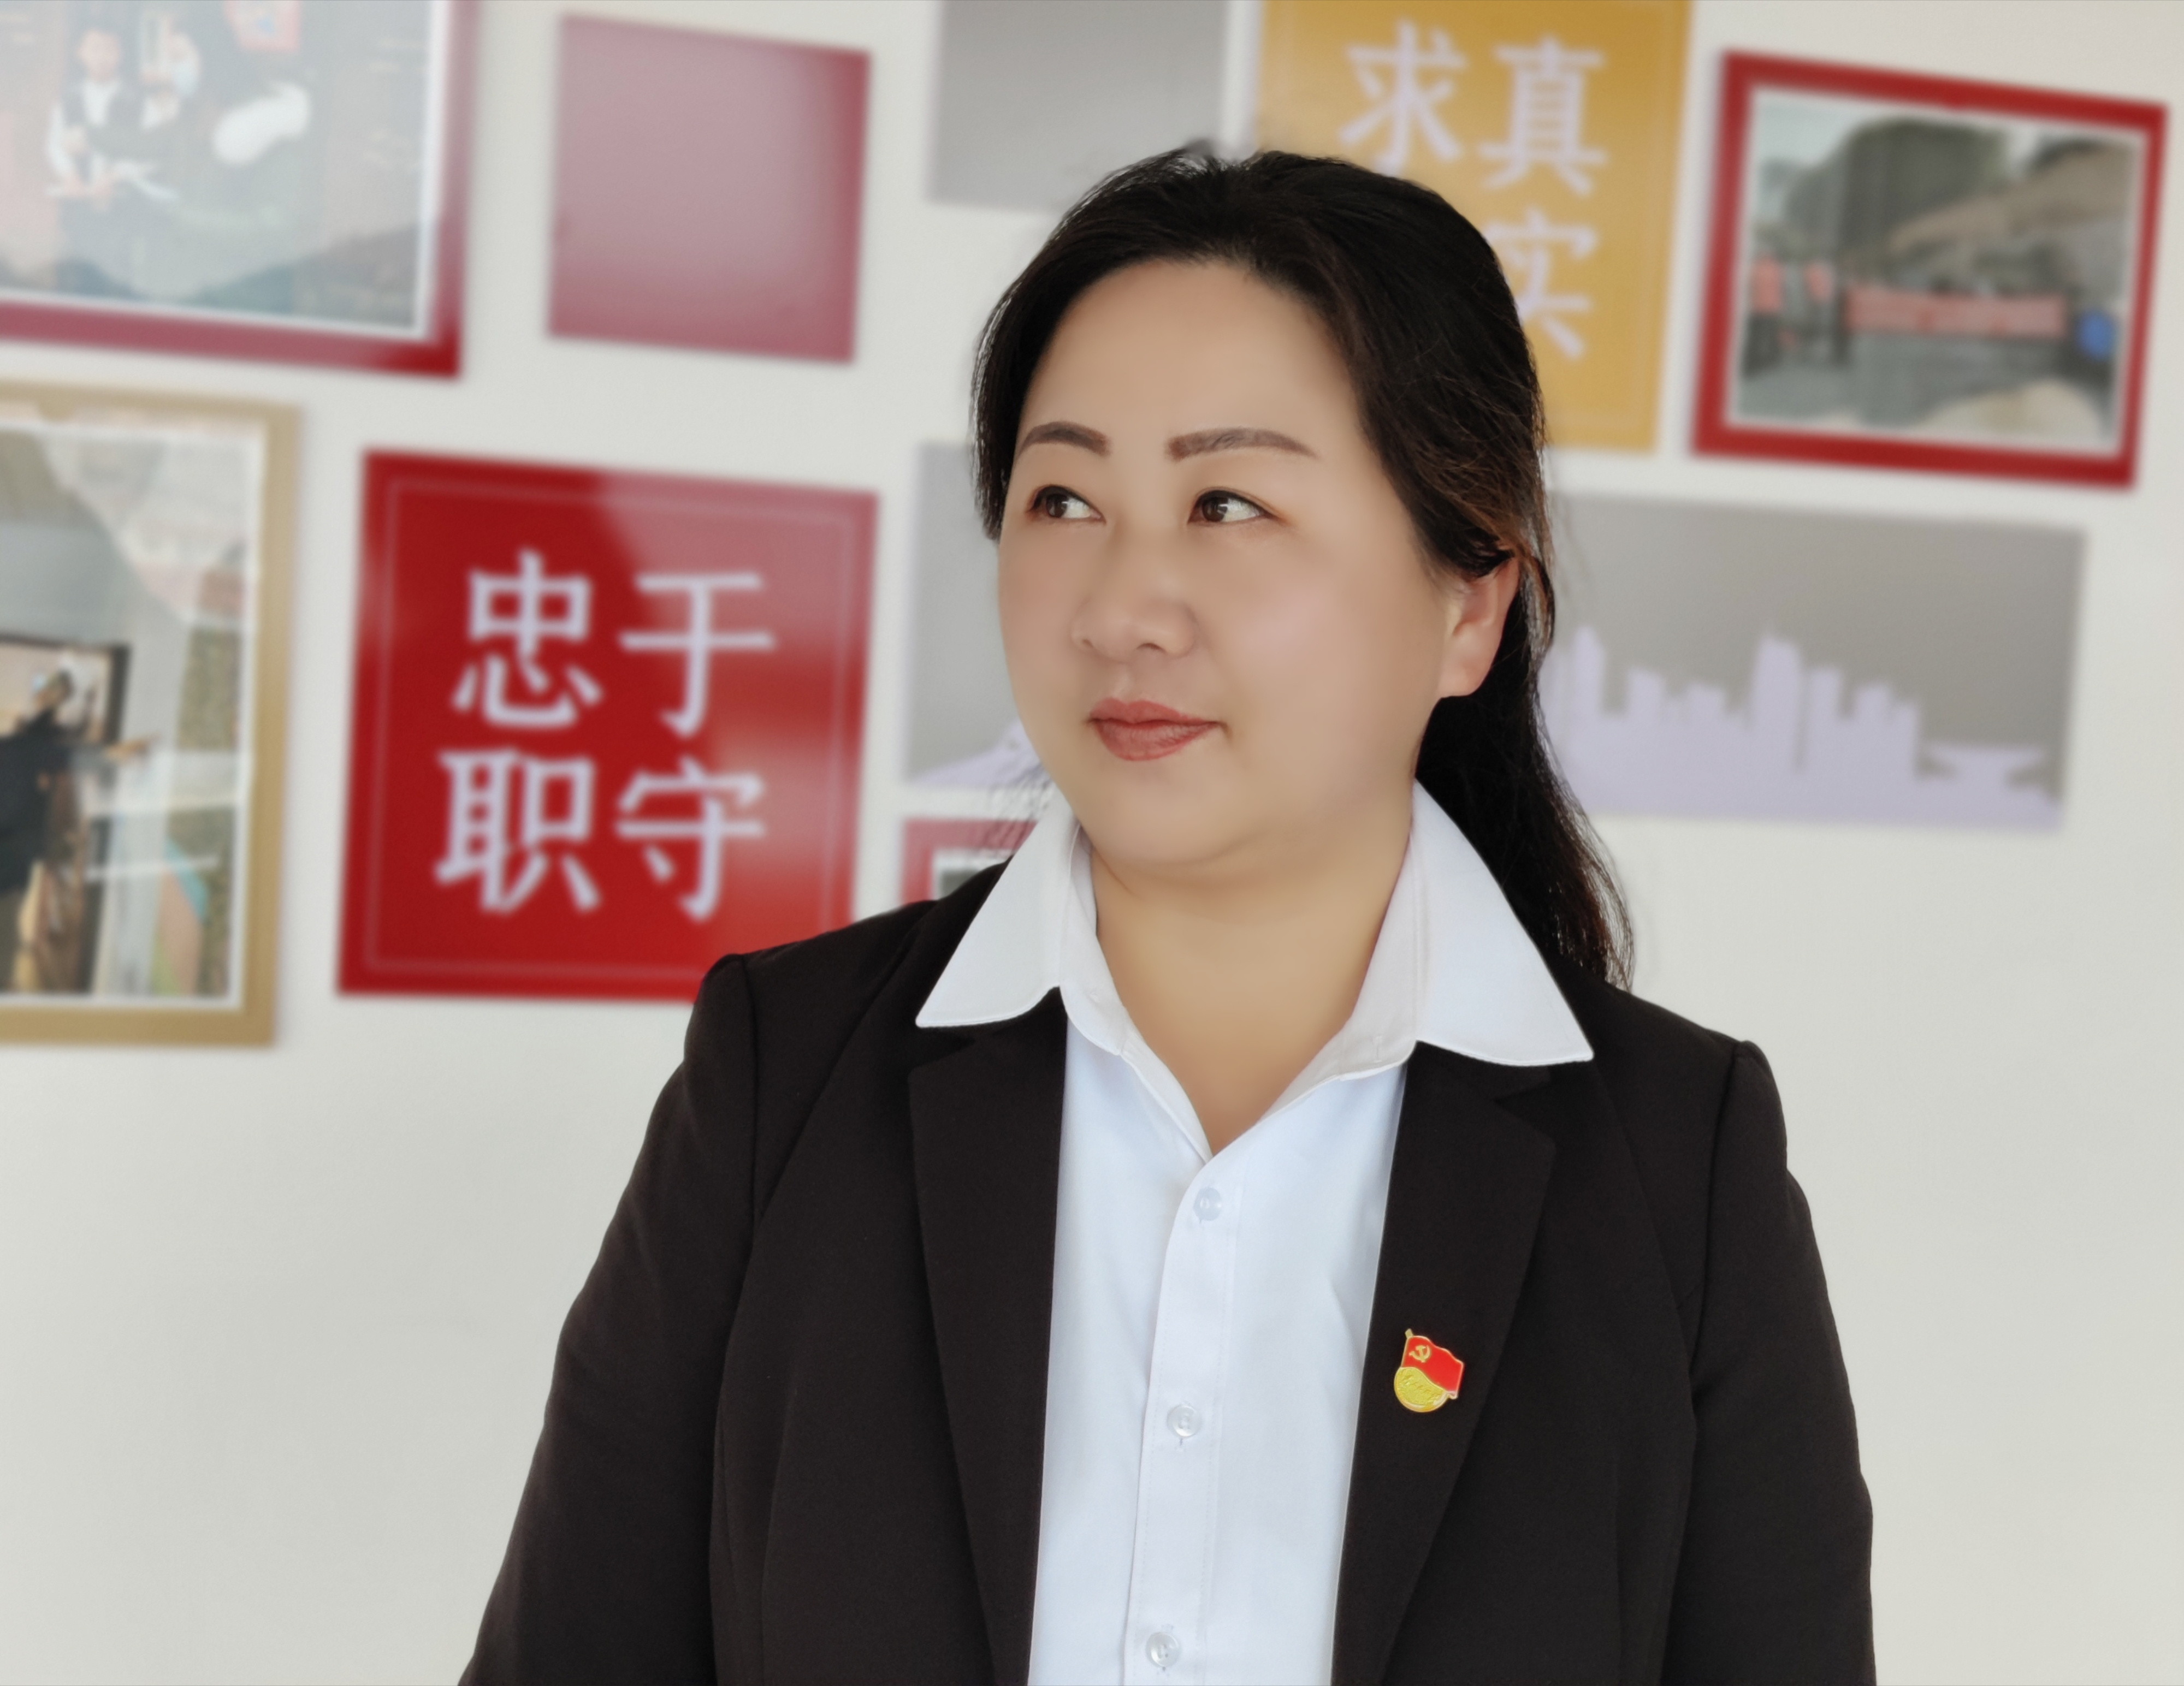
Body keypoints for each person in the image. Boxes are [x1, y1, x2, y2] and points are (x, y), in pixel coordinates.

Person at [464, 151, 1872, 1684]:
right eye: (1062, 497)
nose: (1119, 607)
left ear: (1468, 604)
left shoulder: (1675, 1167)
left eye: (1226, 503)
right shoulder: (783, 1078)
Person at [0, 670, 80, 991]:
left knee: (9, 916)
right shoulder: (28, 746)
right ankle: (5, 983)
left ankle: (5, 982)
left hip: (15, 853)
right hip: (12, 856)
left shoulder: (20, 746)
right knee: (8, 916)